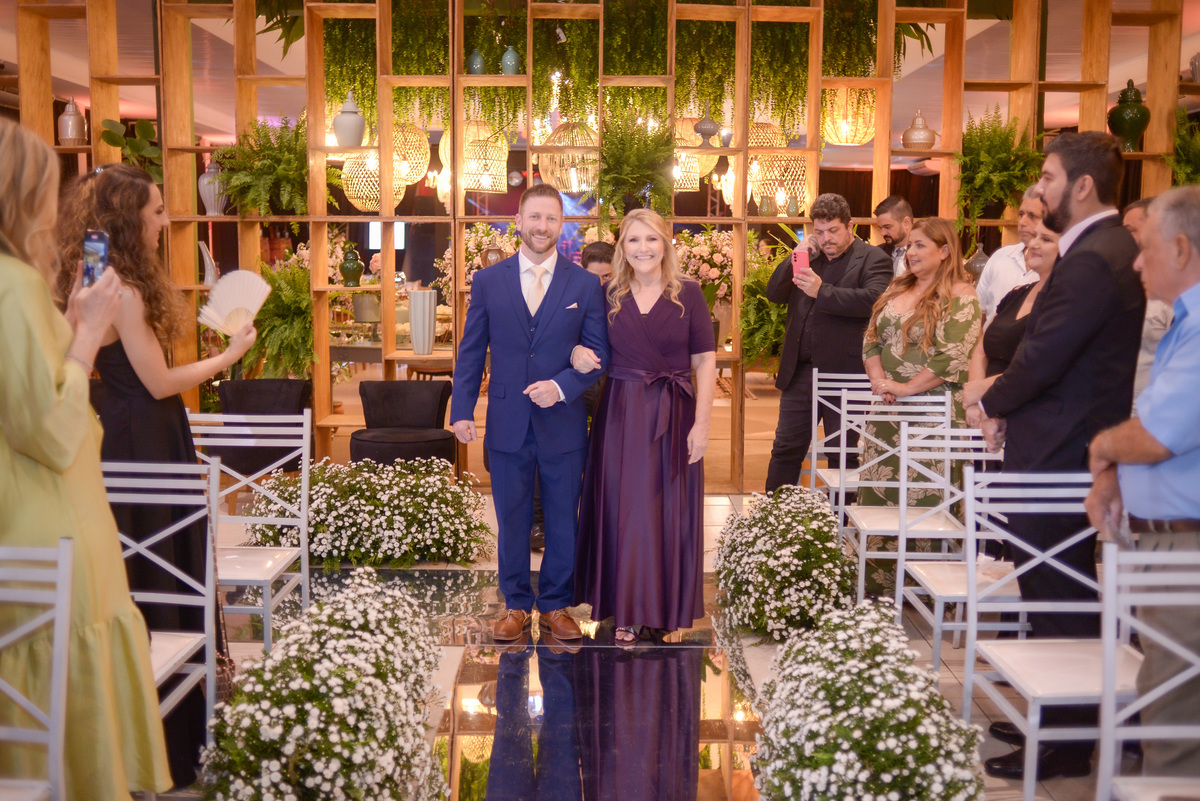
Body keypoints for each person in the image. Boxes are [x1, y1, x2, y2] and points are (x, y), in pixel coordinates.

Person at [54, 163, 256, 787]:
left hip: (110, 431)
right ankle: (169, 739)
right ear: (128, 219)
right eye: (157, 211)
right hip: (147, 435)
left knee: (130, 563)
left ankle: (122, 731)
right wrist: (228, 356)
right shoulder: (127, 291)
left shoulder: (89, 278)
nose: (165, 221)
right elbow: (160, 382)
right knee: (163, 563)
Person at [964, 131, 1144, 782]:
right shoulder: (1096, 249)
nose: (1040, 189)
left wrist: (989, 402)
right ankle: (1057, 714)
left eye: (1047, 177)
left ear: (1083, 185)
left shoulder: (1096, 256)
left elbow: (1044, 356)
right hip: (1058, 442)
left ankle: (1067, 739)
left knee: (1059, 590)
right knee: (1049, 586)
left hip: (1064, 450)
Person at [0, 119, 172, 801]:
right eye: (49, 191)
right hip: (51, 516)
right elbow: (48, 428)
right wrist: (88, 336)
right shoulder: (14, 285)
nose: (58, 210)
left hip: (34, 509)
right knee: (63, 715)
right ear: (23, 195)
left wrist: (73, 324)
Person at [450, 184, 609, 642]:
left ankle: (557, 604)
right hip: (507, 421)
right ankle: (516, 603)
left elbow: (599, 354)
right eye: (535, 217)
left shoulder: (584, 284)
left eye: (551, 219)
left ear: (562, 225)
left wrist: (561, 387)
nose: (542, 226)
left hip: (563, 423)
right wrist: (462, 409)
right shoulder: (488, 281)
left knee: (562, 519)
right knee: (512, 519)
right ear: (518, 221)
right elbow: (472, 350)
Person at [1086, 186, 1200, 780]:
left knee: (1174, 725)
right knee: (1166, 702)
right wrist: (1113, 471)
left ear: (1180, 249)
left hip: (1188, 546)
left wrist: (1102, 448)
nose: (1135, 264)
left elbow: (1157, 434)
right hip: (1169, 540)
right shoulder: (1184, 323)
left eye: (1145, 247)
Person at [571, 209, 717, 645]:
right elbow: (582, 342)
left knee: (668, 511)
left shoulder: (689, 293)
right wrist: (577, 352)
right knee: (627, 509)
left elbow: (705, 361)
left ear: (665, 244)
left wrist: (703, 424)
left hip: (676, 411)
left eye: (651, 239)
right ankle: (627, 609)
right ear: (623, 248)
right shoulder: (608, 293)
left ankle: (664, 607)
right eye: (633, 240)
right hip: (622, 412)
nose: (643, 248)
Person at [763, 193, 893, 492]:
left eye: (833, 230)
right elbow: (774, 294)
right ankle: (774, 516)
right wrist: (795, 256)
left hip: (846, 373)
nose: (826, 239)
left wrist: (821, 291)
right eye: (819, 232)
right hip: (800, 373)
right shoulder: (809, 256)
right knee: (785, 448)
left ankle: (840, 519)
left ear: (850, 226)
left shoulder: (873, 258)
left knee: (842, 454)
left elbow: (874, 301)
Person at [856, 217, 982, 507]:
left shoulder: (961, 294)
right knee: (881, 493)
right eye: (910, 245)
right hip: (888, 408)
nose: (911, 252)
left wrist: (907, 388)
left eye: (920, 245)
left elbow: (952, 356)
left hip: (934, 413)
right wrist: (880, 383)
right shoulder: (898, 286)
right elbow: (871, 338)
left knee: (927, 501)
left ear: (945, 251)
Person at [965, 218, 1061, 425]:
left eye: (1045, 239)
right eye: (1035, 237)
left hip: (1032, 413)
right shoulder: (1016, 294)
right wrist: (977, 402)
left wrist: (985, 393)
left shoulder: (1064, 301)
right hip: (987, 413)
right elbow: (982, 350)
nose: (1033, 244)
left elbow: (1042, 365)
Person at [1122, 196, 1174, 401]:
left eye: (1131, 230)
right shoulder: (1119, 280)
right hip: (1115, 403)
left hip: (1154, 406)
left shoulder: (1174, 292)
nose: (1124, 238)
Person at [974, 186, 1043, 321]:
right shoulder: (1000, 256)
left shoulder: (1060, 266)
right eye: (1021, 214)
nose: (1022, 222)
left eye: (1032, 216)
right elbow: (978, 314)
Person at [874, 195, 914, 277]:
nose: (883, 233)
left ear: (906, 223)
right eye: (881, 228)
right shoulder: (878, 253)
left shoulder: (924, 253)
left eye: (887, 227)